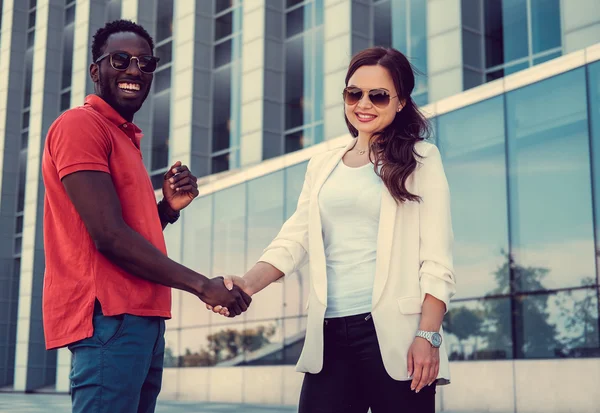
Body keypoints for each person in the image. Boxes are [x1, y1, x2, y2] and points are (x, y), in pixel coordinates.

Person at [207, 46, 456, 413]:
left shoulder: (420, 160)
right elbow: (294, 239)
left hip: (396, 338)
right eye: (354, 93)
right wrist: (246, 284)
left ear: (401, 101)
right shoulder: (322, 165)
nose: (364, 104)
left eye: (379, 95)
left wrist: (427, 334)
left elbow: (437, 260)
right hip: (329, 337)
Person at [41, 20, 251, 413]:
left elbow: (122, 230)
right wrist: (202, 285)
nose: (135, 70)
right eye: (120, 60)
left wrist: (166, 210)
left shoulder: (124, 137)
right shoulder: (80, 125)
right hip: (111, 319)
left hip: (143, 320)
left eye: (145, 63)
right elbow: (108, 236)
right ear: (95, 70)